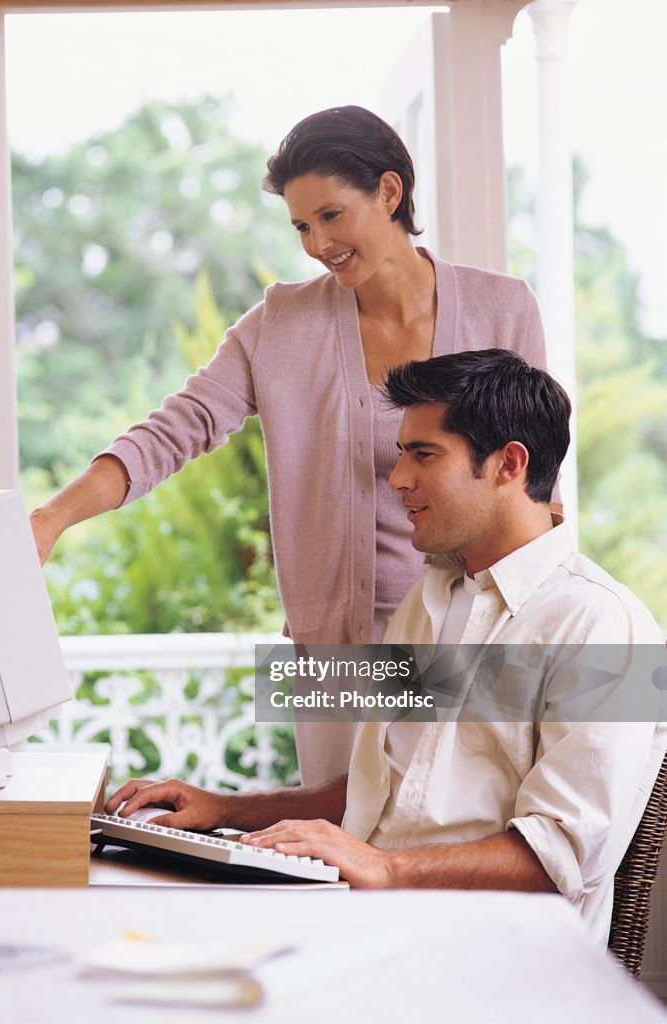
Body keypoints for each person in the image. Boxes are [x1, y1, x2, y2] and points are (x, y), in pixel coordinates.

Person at [30, 105, 557, 785]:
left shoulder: (503, 309)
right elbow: (172, 430)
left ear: (389, 192)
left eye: (331, 216)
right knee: (336, 851)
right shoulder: (281, 324)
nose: (316, 244)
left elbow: (537, 483)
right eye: (301, 226)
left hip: (471, 642)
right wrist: (53, 517)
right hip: (329, 658)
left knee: (448, 855)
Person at [106, 350, 667, 944]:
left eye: (423, 454)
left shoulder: (607, 627)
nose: (398, 478)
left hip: (493, 960)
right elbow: (387, 788)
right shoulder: (427, 602)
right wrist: (223, 809)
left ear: (509, 464)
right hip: (373, 927)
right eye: (402, 453)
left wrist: (385, 867)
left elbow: (563, 859)